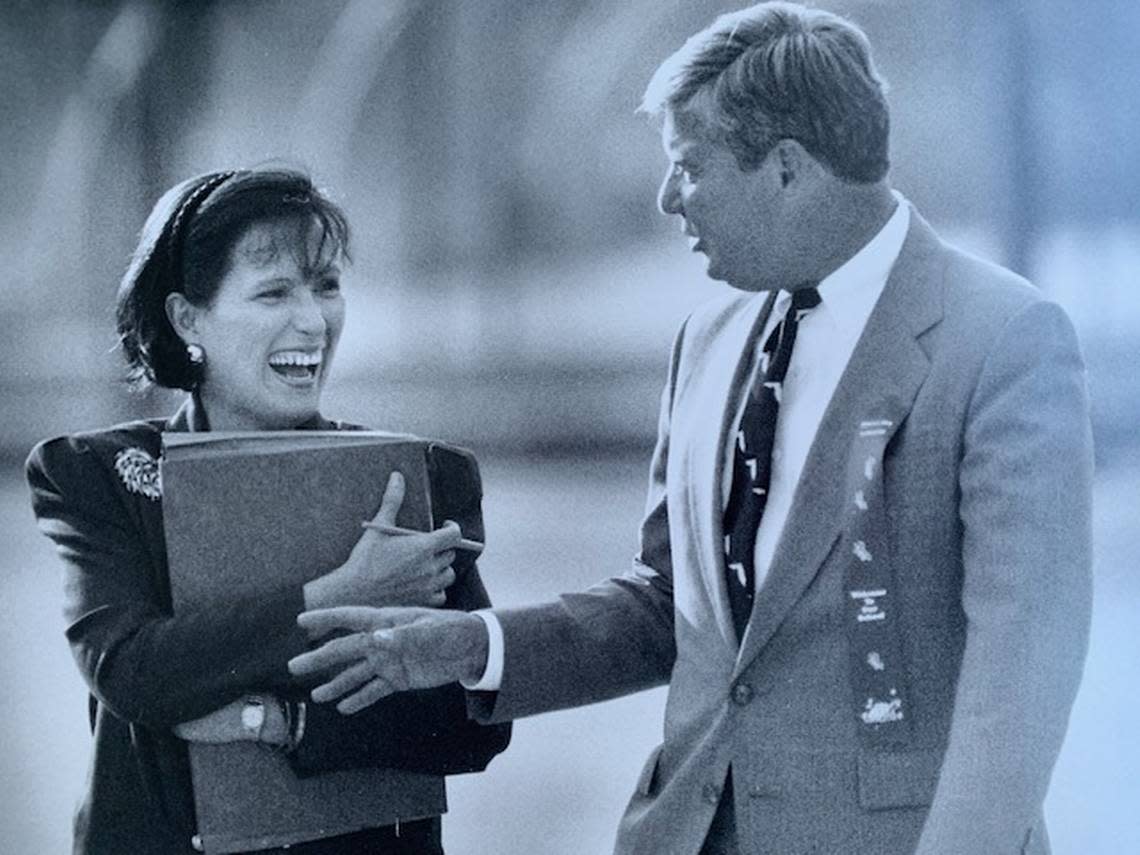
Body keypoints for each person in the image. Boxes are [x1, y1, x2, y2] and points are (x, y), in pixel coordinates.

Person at [289, 4, 1093, 854]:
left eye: (690, 166)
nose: (667, 198)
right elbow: (668, 607)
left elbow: (1023, 676)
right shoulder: (708, 342)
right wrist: (477, 646)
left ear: (787, 168)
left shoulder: (1004, 341)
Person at [25, 167, 510, 855]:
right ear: (186, 317)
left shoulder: (423, 476)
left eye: (327, 286)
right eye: (273, 292)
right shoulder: (97, 475)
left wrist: (275, 720)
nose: (311, 320)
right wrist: (339, 595)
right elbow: (132, 669)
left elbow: (473, 720)